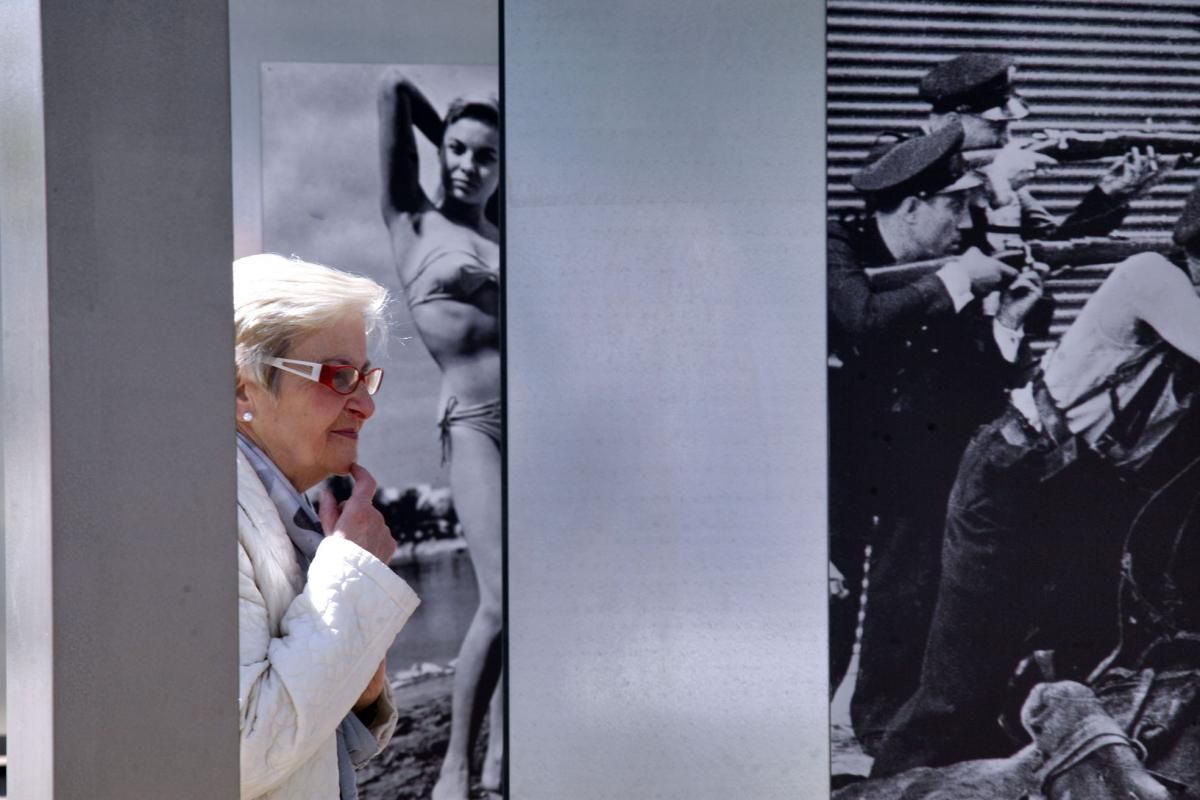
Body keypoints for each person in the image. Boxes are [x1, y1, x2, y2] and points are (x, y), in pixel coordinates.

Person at [872, 177, 1200, 776]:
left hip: (1088, 494)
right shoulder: (1153, 276)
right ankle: (891, 786)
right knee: (961, 679)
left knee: (1077, 666)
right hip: (1015, 471)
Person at [827, 120, 1046, 755]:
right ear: (915, 205)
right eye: (955, 206)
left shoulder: (955, 253)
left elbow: (970, 371)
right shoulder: (836, 243)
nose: (965, 221)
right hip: (829, 454)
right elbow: (861, 321)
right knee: (828, 597)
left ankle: (881, 729)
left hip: (908, 449)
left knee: (912, 587)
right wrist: (955, 283)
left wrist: (1005, 322)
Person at [234, 253, 420, 800]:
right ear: (244, 388)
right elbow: (243, 753)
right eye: (339, 377)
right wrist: (354, 575)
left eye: (366, 378)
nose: (365, 405)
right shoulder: (197, 515)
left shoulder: (279, 510)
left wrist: (361, 687)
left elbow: (319, 750)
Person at [377, 74, 503, 800]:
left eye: (485, 157)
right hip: (474, 423)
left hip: (534, 427)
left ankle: (502, 765)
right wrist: (446, 125)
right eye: (457, 149)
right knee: (503, 601)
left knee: (529, 603)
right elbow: (393, 90)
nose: (467, 166)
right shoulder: (412, 221)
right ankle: (456, 763)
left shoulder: (501, 228)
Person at [920, 53, 1164, 249]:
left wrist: (1108, 195)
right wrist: (996, 185)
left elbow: (1052, 246)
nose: (1006, 139)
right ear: (952, 122)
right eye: (996, 126)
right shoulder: (896, 164)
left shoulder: (991, 172)